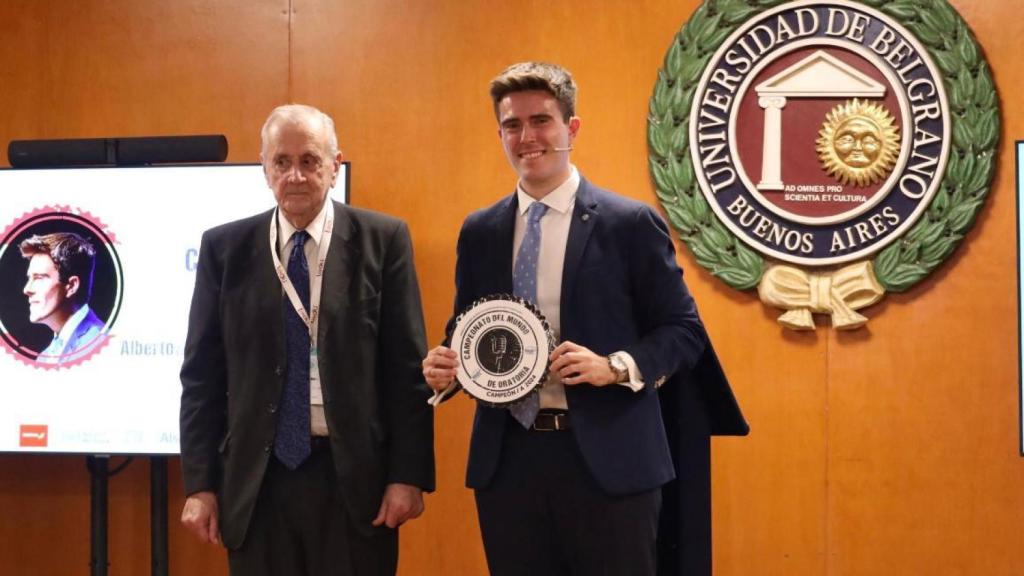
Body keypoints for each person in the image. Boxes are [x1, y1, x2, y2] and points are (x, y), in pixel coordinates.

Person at [422, 62, 747, 576]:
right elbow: (470, 329)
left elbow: (684, 331)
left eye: (541, 121)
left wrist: (615, 365)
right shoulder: (480, 230)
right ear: (500, 133)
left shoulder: (630, 224)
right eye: (512, 125)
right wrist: (446, 369)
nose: (527, 137)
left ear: (571, 129)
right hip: (509, 465)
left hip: (609, 461)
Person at [179, 104, 435, 576]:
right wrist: (200, 485)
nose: (295, 175)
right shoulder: (224, 249)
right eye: (282, 162)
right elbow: (202, 377)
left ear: (335, 165)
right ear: (264, 168)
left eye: (310, 160)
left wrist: (408, 476)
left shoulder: (383, 239)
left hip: (353, 481)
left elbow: (407, 370)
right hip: (257, 484)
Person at [20, 232, 105, 365]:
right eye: (30, 278)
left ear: (71, 286)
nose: (27, 289)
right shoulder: (44, 357)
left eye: (39, 278)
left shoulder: (100, 345)